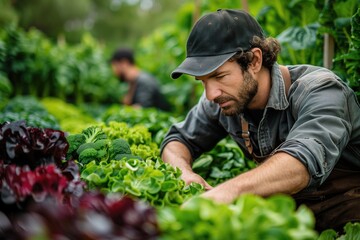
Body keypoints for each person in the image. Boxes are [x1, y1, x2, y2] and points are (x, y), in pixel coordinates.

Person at [160, 9, 360, 232]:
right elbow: (177, 139)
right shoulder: (224, 99)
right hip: (293, 226)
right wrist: (184, 173)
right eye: (202, 81)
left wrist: (228, 191)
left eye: (219, 76)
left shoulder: (321, 90)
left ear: (254, 60)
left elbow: (301, 163)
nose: (210, 94)